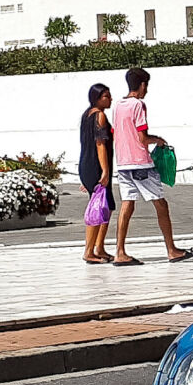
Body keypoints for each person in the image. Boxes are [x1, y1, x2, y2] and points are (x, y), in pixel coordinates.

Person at [109, 66, 193, 265]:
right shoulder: (138, 105)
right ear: (142, 85)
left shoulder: (118, 106)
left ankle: (120, 251)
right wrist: (159, 140)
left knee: (127, 204)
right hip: (140, 162)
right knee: (160, 204)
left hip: (122, 162)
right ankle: (172, 249)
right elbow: (142, 137)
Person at [78, 82, 114, 264]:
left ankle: (99, 247)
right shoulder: (99, 115)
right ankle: (89, 250)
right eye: (106, 96)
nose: (110, 99)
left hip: (86, 164)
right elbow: (100, 144)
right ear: (97, 98)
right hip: (96, 166)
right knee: (98, 207)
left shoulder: (86, 115)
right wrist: (105, 171)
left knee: (107, 206)